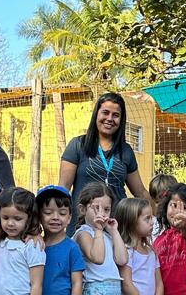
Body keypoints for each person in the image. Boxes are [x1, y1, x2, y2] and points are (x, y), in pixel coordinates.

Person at [60, 92, 149, 233]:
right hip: (81, 227)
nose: (110, 119)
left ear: (121, 120)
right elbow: (63, 188)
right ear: (96, 114)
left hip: (116, 229)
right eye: (105, 113)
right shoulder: (78, 145)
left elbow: (141, 192)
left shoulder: (125, 151)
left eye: (115, 115)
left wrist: (159, 219)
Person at [148, 173, 177, 238]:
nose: (156, 206)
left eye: (160, 202)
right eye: (156, 202)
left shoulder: (179, 221)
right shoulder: (153, 222)